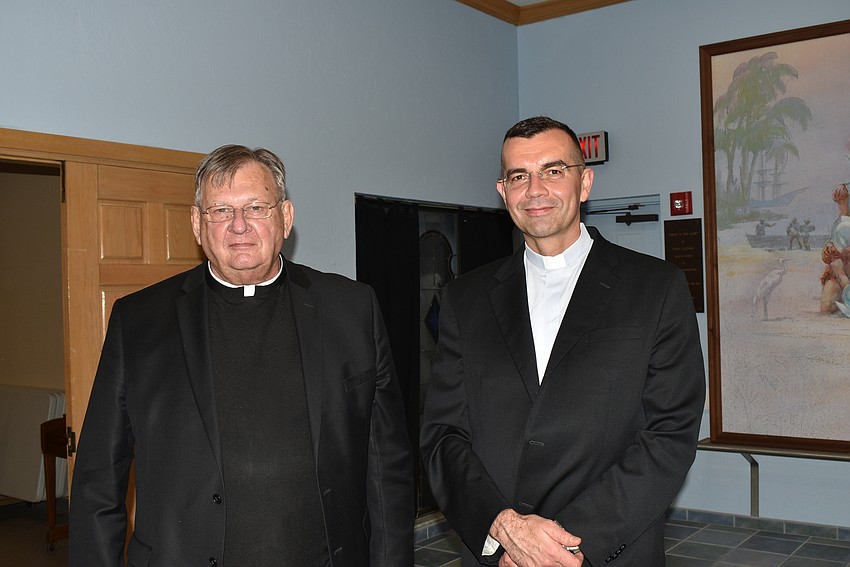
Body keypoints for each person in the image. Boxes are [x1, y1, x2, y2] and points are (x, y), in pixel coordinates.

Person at [70, 145, 413, 566]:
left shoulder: (351, 310)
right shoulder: (139, 321)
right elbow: (98, 481)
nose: (238, 226)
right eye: (219, 211)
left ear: (285, 217)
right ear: (197, 223)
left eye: (256, 207)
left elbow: (388, 471)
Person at [420, 116, 705, 567]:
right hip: (500, 554)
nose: (535, 189)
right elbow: (443, 435)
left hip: (607, 550)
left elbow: (669, 437)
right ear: (503, 192)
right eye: (519, 176)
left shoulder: (656, 288)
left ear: (585, 181)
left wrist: (563, 546)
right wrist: (506, 529)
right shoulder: (464, 299)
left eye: (553, 171)